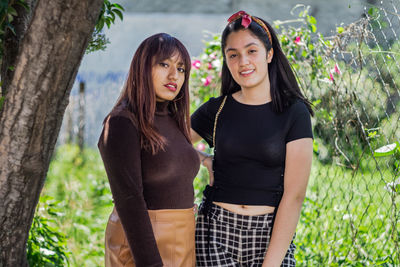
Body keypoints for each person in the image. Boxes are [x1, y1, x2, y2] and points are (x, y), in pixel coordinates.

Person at [191, 11, 314, 267]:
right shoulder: (218, 109)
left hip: (269, 236)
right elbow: (167, 143)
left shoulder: (294, 113)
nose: (243, 61)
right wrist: (203, 159)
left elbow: (294, 196)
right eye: (233, 55)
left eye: (251, 51)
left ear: (269, 54)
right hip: (214, 233)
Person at [98, 33, 200, 267]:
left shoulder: (172, 119)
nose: (174, 75)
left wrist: (205, 160)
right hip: (144, 246)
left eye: (181, 69)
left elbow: (171, 158)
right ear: (143, 67)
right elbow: (129, 199)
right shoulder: (122, 122)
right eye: (164, 64)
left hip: (182, 240)